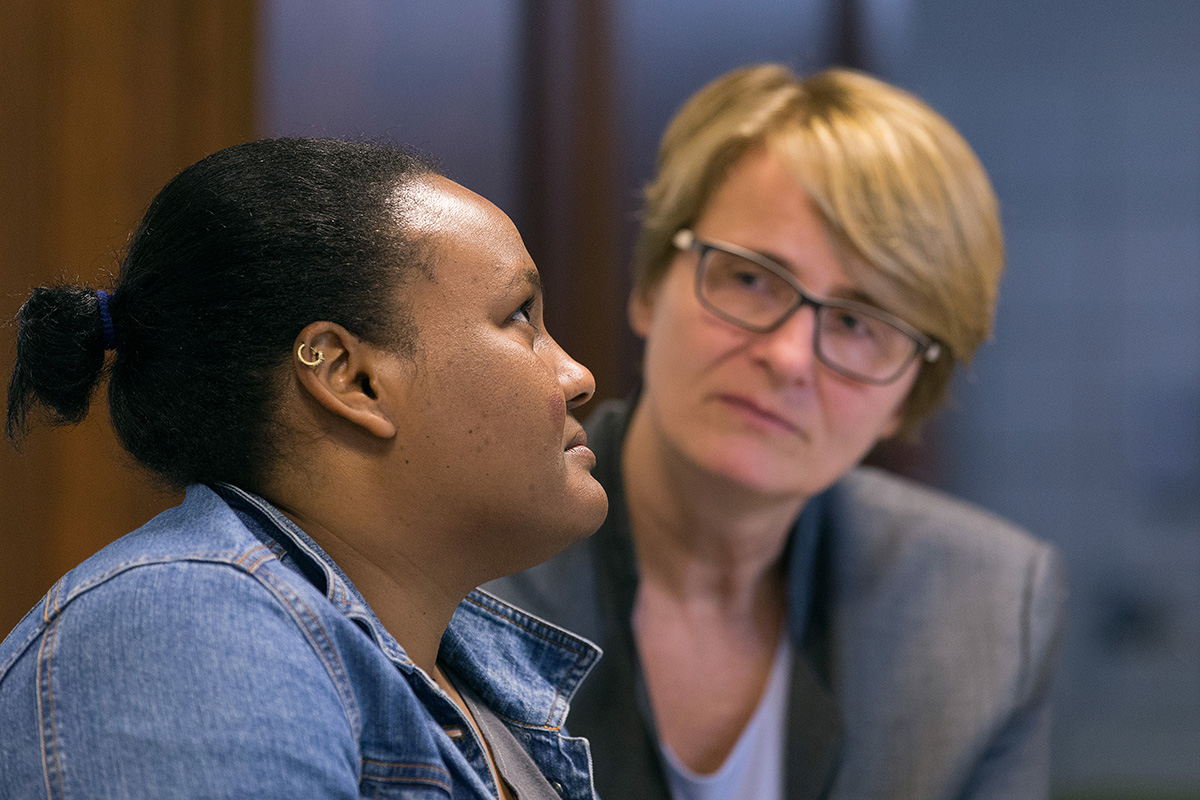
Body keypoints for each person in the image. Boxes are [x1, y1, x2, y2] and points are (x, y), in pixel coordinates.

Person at [487, 64, 1067, 800]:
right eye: (752, 278)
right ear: (650, 286)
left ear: (905, 399)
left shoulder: (984, 607)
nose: (788, 356)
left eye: (858, 323)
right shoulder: (464, 557)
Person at [1, 138, 609, 799]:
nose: (579, 377)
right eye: (520, 316)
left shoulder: (468, 686)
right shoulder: (189, 628)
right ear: (350, 378)